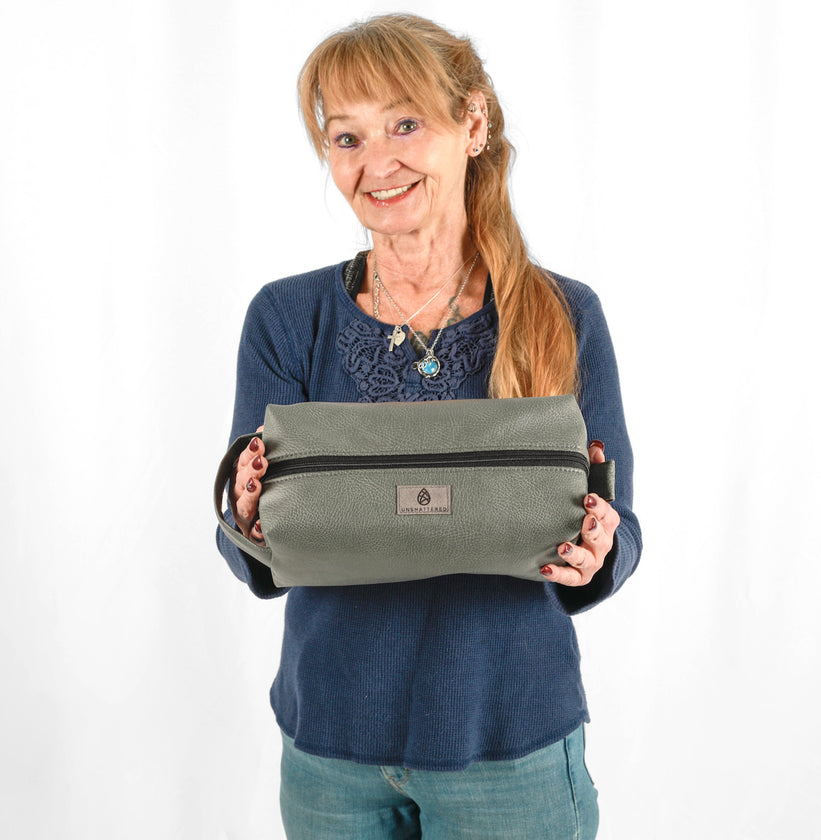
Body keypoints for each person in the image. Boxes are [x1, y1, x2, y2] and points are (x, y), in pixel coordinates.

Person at [216, 13, 642, 839]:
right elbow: (251, 547)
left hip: (510, 747)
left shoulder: (564, 314)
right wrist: (243, 512)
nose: (377, 163)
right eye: (346, 137)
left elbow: (620, 528)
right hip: (329, 751)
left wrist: (600, 549)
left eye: (405, 123)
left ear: (472, 124)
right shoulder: (285, 316)